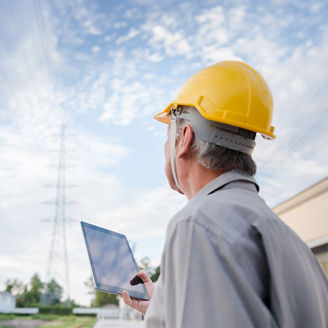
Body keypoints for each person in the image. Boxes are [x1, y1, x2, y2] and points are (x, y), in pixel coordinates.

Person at [122, 61, 328, 327]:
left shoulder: (197, 224)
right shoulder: (293, 244)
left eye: (167, 134)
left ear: (184, 137)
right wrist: (165, 306)